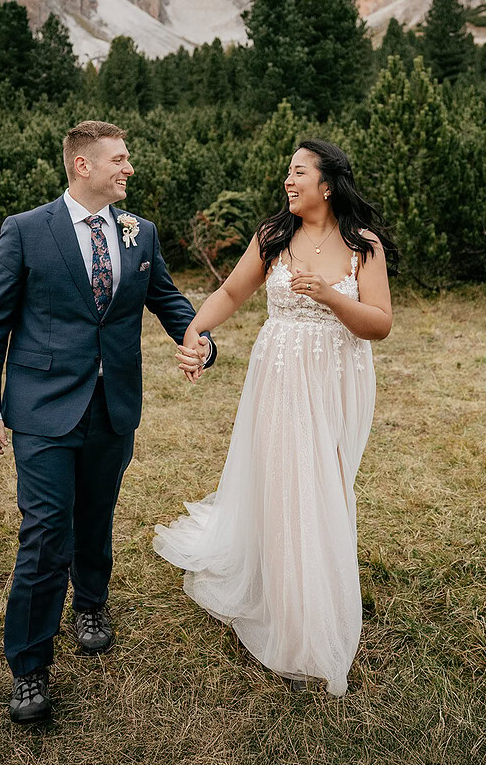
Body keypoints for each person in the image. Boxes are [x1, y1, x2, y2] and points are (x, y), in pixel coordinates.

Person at [0, 120, 216, 725]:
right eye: (120, 159)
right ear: (83, 165)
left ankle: (92, 604)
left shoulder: (140, 233)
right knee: (46, 530)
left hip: (113, 407)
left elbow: (170, 300)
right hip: (42, 408)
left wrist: (199, 339)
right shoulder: (26, 231)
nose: (129, 168)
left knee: (96, 513)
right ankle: (28, 665)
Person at [154, 139, 396, 696]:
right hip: (281, 376)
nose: (288, 182)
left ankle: (318, 595)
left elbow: (380, 324)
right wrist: (195, 331)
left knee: (327, 489)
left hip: (337, 379)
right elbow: (234, 291)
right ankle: (294, 622)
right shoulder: (274, 238)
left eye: (298, 172)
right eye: (288, 173)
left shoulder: (364, 246)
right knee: (289, 487)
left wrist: (331, 298)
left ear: (326, 185)